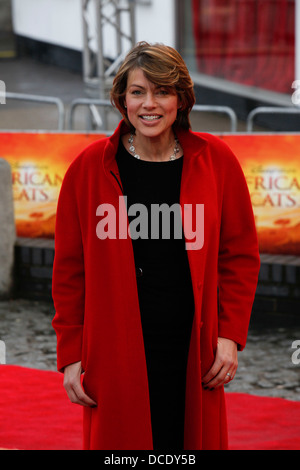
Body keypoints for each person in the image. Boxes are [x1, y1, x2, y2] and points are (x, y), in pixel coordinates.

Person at [52, 42, 260, 451]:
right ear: (121, 99)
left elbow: (239, 256)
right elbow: (69, 272)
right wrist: (72, 355)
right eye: (137, 92)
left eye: (162, 91)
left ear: (181, 99)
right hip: (114, 351)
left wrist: (229, 336)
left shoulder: (217, 162)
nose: (149, 104)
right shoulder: (88, 169)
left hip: (193, 349)